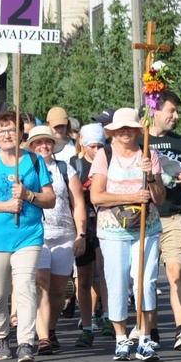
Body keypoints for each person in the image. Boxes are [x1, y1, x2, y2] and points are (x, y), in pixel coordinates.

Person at [0, 111, 56, 362]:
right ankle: (1, 335)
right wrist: (5, 206)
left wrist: (28, 195)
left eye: (11, 129)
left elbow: (50, 199)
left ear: (21, 134)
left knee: (26, 287)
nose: (7, 135)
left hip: (28, 235)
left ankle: (26, 342)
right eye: (2, 130)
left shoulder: (34, 161)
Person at [89, 108, 165, 362]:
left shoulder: (148, 154)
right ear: (112, 131)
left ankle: (145, 338)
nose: (125, 132)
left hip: (147, 228)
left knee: (146, 282)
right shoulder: (104, 155)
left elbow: (160, 198)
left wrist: (151, 176)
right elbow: (97, 196)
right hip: (113, 230)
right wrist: (132, 197)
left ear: (137, 130)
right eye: (120, 128)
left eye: (130, 128)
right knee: (118, 281)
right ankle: (121, 338)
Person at [23, 125, 87, 354]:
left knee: (60, 291)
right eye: (38, 143)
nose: (43, 146)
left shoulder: (64, 169)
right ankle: (42, 338)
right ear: (31, 147)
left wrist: (81, 234)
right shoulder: (25, 169)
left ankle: (49, 330)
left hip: (64, 234)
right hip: (36, 234)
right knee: (41, 285)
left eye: (47, 142)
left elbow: (78, 203)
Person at [145, 90, 181, 351]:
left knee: (175, 272)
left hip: (174, 215)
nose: (175, 116)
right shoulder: (140, 140)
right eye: (171, 111)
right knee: (147, 278)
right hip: (145, 218)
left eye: (176, 112)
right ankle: (151, 330)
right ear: (156, 111)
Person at [73, 123, 113, 341]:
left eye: (100, 145)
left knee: (104, 269)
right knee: (84, 276)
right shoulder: (76, 164)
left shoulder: (109, 162)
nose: (96, 150)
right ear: (83, 144)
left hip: (104, 221)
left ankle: (107, 316)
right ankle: (86, 325)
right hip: (83, 225)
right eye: (92, 146)